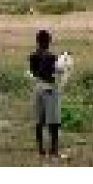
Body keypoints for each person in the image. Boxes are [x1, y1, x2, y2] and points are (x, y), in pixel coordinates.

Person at [29, 29, 63, 159]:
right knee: (53, 122)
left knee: (39, 121)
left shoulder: (33, 56)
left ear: (37, 41)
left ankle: (41, 150)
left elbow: (34, 73)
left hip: (37, 89)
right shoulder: (52, 57)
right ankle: (54, 151)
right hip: (50, 90)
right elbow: (51, 75)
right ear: (49, 41)